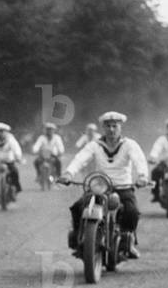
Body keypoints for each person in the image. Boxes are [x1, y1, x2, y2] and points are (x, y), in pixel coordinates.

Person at [59, 111, 149, 259]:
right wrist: (69, 173)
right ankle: (79, 239)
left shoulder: (129, 145)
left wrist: (142, 176)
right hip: (99, 187)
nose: (111, 129)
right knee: (77, 207)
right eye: (108, 126)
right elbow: (81, 158)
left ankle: (128, 241)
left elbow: (139, 161)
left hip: (123, 187)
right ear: (103, 128)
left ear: (120, 128)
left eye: (115, 126)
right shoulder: (95, 145)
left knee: (132, 211)